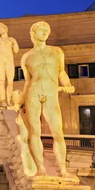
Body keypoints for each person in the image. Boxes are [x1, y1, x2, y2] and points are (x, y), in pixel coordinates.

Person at [20, 21, 75, 178]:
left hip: (51, 92)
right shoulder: (26, 57)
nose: (46, 32)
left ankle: (63, 170)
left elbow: (61, 72)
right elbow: (27, 81)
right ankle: (40, 169)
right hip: (33, 92)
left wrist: (68, 84)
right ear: (33, 33)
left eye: (47, 30)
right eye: (42, 30)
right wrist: (22, 102)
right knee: (34, 131)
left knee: (58, 132)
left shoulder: (57, 51)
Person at [0, 23, 19, 106]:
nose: (0, 30)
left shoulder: (12, 39)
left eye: (1, 28)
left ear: (5, 28)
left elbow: (16, 51)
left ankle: (9, 101)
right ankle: (3, 101)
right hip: (0, 60)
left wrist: (14, 42)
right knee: (1, 81)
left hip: (10, 60)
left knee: (10, 82)